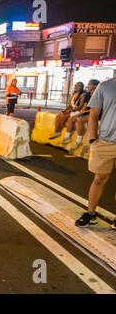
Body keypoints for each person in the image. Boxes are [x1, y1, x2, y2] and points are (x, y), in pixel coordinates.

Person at [75, 77, 116, 230]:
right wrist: (93, 138)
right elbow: (93, 115)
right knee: (99, 178)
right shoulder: (105, 86)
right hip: (105, 141)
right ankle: (90, 214)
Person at [62, 80, 99, 147]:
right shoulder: (88, 94)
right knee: (71, 119)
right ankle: (67, 137)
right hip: (86, 112)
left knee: (80, 120)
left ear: (95, 86)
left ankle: (78, 140)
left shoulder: (98, 95)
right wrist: (81, 112)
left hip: (95, 113)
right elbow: (85, 106)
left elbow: (96, 108)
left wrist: (82, 113)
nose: (87, 86)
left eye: (90, 84)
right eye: (88, 84)